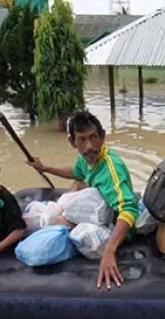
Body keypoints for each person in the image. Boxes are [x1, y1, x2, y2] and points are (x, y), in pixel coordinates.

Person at [26, 109, 139, 290]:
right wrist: (45, 168)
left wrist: (109, 252)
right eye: (82, 139)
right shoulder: (86, 158)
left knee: (54, 220)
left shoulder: (111, 169)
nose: (89, 146)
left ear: (102, 137)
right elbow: (76, 172)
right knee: (77, 184)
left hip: (116, 227)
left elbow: (129, 209)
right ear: (72, 142)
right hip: (102, 210)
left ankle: (61, 220)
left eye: (93, 137)